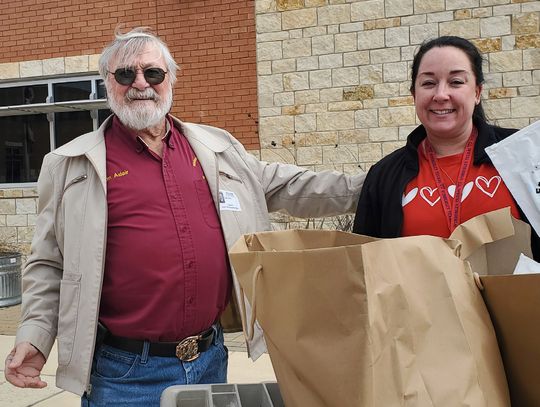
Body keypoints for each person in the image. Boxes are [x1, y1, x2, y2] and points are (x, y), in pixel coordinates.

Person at [4, 28, 365, 405]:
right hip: (123, 374)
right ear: (108, 83)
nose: (140, 84)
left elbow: (294, 187)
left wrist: (380, 184)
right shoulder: (70, 165)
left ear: (170, 79)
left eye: (153, 74)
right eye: (125, 74)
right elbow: (48, 264)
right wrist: (35, 336)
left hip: (209, 358)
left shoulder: (217, 148)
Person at [352, 36, 539, 258]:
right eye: (428, 83)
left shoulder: (524, 154)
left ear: (477, 92)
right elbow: (364, 266)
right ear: (414, 95)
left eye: (456, 82)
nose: (441, 95)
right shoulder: (384, 176)